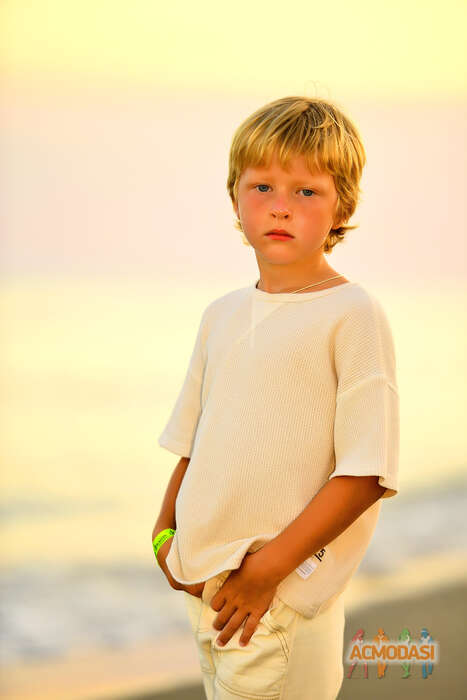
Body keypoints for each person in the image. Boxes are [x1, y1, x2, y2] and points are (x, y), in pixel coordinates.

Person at [152, 95, 400, 700]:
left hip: (276, 600)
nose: (281, 206)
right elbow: (194, 443)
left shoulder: (352, 314)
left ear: (342, 205)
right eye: (262, 187)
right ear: (235, 197)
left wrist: (266, 573)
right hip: (209, 591)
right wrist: (165, 539)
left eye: (307, 191)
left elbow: (367, 472)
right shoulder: (221, 314)